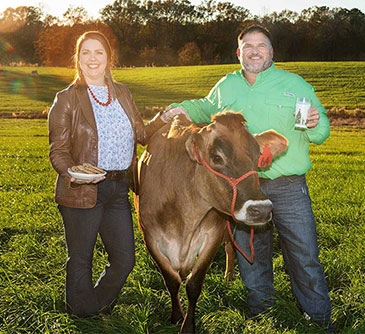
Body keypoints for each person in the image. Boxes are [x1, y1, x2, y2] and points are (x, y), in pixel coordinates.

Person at [162, 25, 333, 331]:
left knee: (304, 254)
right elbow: (204, 107)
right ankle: (262, 314)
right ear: (239, 53)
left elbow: (321, 134)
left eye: (261, 45)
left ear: (271, 51)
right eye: (248, 46)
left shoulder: (294, 85)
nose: (255, 51)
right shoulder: (227, 86)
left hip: (287, 185)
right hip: (239, 187)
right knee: (252, 257)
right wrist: (181, 108)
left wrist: (315, 122)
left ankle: (317, 318)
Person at [48, 31, 164, 317]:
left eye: (98, 52)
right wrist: (72, 171)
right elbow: (58, 150)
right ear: (78, 59)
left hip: (119, 189)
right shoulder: (67, 99)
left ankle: (94, 306)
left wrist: (163, 119)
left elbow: (141, 134)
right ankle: (82, 317)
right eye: (85, 52)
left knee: (124, 259)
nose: (92, 58)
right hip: (83, 189)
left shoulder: (122, 93)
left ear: (108, 58)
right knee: (81, 259)